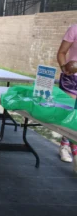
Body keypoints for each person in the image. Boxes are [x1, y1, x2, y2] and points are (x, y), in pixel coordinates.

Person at [57, 23, 77, 169]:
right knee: (70, 115)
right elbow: (61, 52)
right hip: (72, 79)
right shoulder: (74, 28)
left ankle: (67, 145)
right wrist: (65, 68)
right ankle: (67, 148)